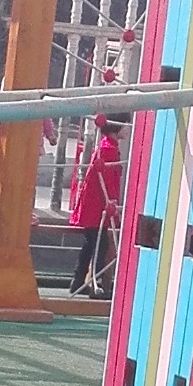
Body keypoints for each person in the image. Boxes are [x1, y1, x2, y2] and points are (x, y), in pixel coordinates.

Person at [68, 118, 122, 297]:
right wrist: (112, 202)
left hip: (94, 203)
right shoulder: (109, 150)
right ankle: (94, 283)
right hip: (97, 205)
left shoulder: (105, 146)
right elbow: (108, 180)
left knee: (90, 243)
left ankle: (78, 281)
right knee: (100, 244)